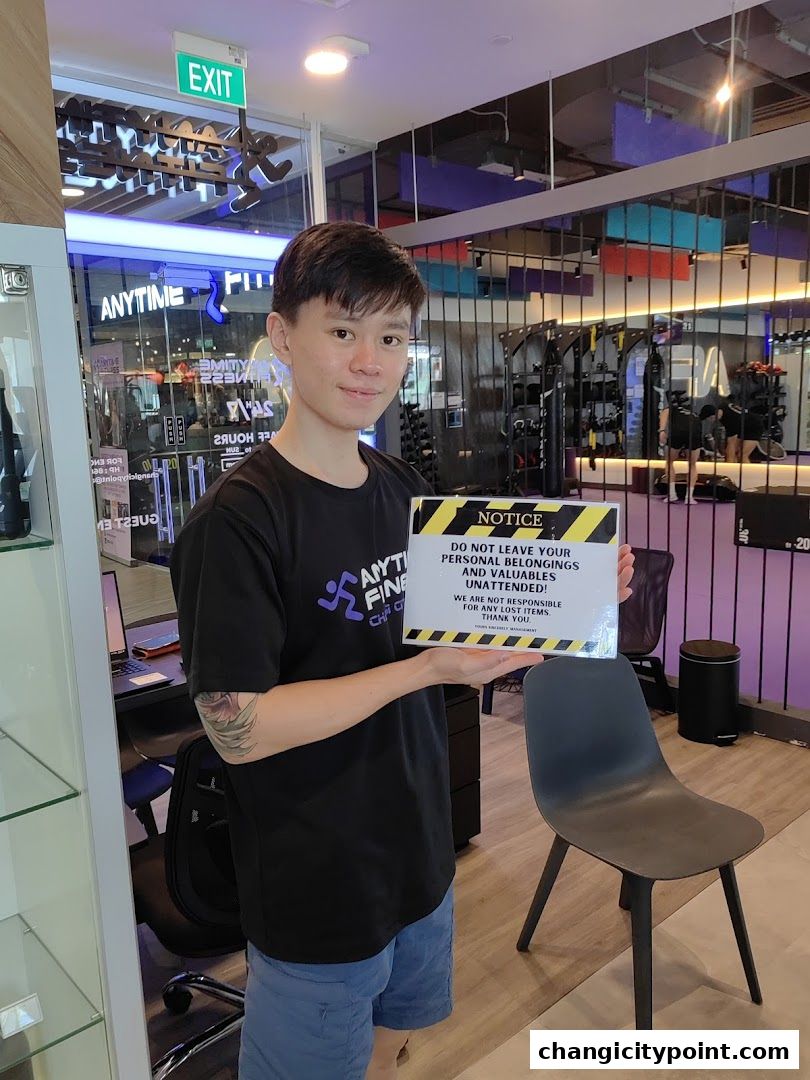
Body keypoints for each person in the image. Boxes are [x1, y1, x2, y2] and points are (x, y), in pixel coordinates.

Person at [170, 221, 635, 1080]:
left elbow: (456, 633)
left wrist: (574, 594)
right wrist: (423, 670)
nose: (368, 362)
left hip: (419, 858)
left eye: (390, 338)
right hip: (319, 889)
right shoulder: (238, 521)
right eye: (343, 330)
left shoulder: (402, 489)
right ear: (282, 336)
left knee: (394, 1053)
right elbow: (239, 727)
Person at [658, 397, 720, 504]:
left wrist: (662, 430)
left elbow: (665, 411)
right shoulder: (695, 415)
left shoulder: (674, 408)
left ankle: (672, 494)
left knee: (669, 462)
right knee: (692, 465)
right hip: (693, 433)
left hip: (678, 432)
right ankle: (689, 497)